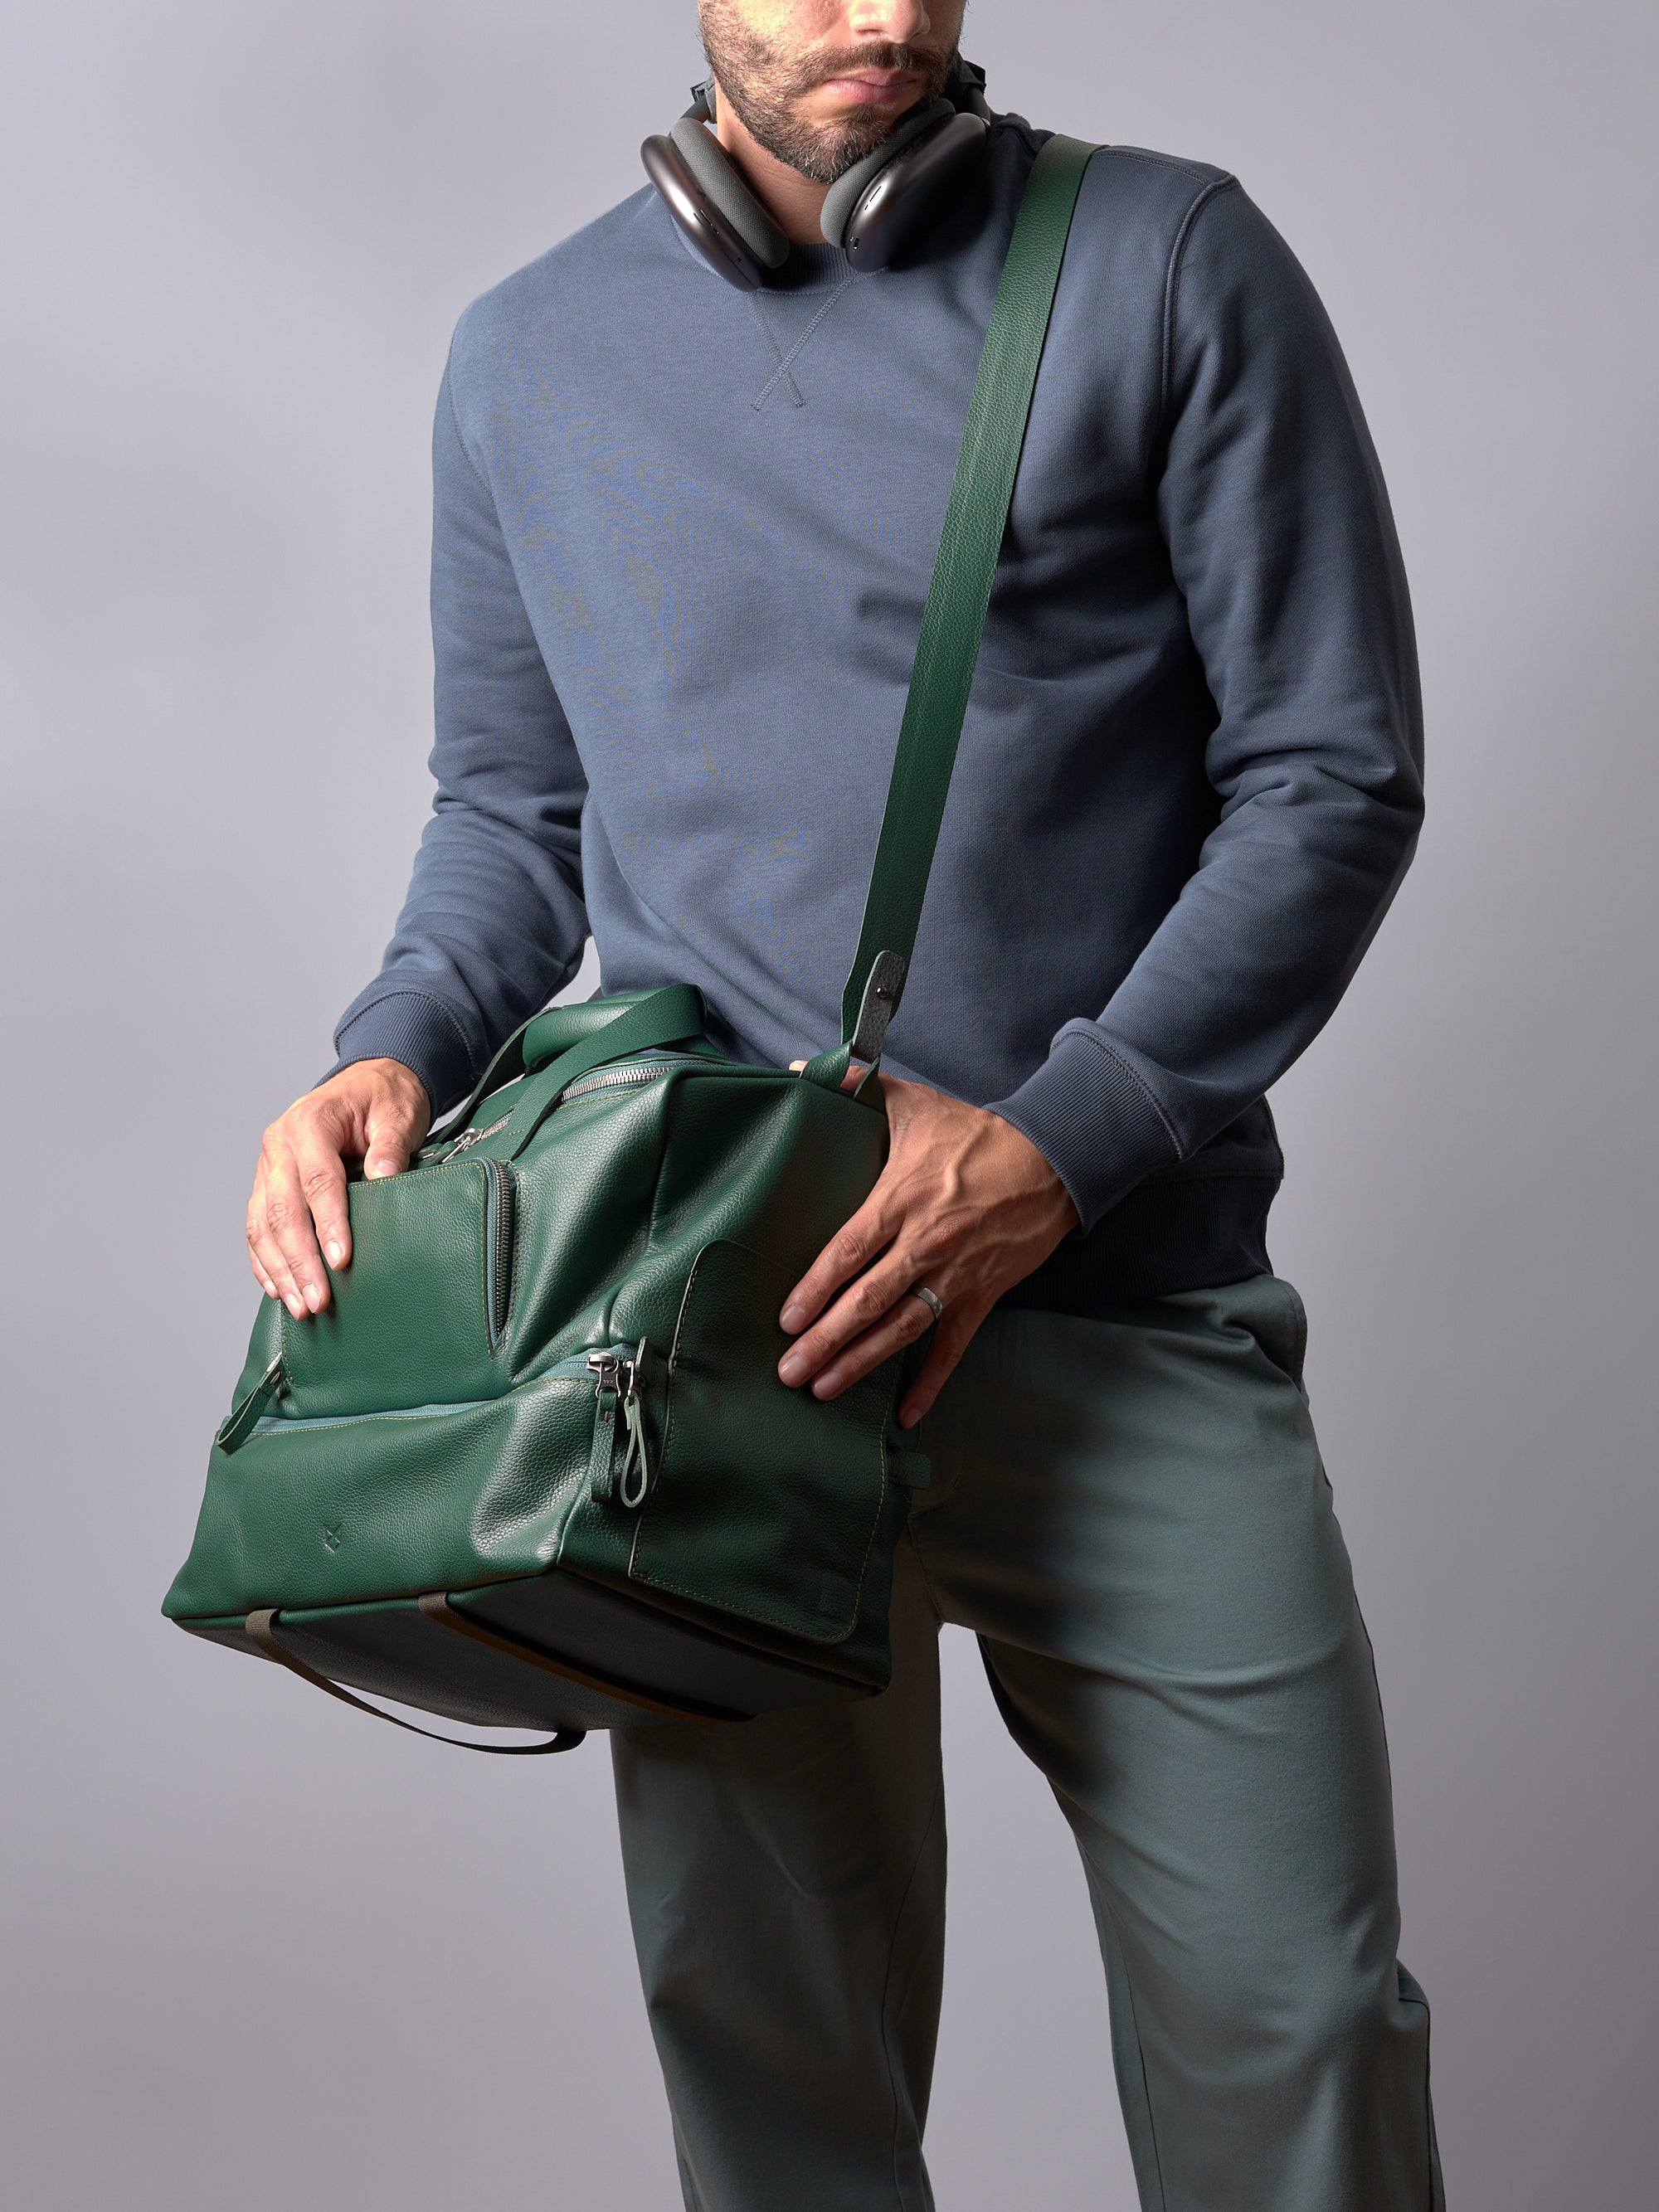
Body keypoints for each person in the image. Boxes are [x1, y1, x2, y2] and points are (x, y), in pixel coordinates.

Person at [243, 3, 1443, 2205]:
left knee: (1302, 2030)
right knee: (777, 2075)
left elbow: (1331, 775)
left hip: (1126, 1311)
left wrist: (1062, 1145)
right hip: (709, 1361)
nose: (871, 11)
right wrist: (387, 1047)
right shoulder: (527, 356)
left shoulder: (1174, 263)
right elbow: (513, 818)